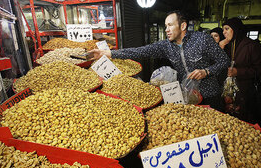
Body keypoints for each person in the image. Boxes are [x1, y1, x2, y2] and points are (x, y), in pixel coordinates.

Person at [89, 10, 230, 111]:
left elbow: (224, 61)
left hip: (210, 95)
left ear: (183, 26)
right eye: (166, 26)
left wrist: (206, 71)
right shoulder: (165, 45)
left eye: (170, 25)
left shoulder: (202, 39)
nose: (166, 29)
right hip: (187, 97)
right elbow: (140, 51)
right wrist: (107, 53)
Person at [222, 17, 261, 123]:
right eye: (223, 29)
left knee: (245, 123)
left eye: (227, 29)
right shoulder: (228, 45)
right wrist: (220, 48)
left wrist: (239, 72)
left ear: (236, 29)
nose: (224, 32)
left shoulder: (251, 45)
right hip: (230, 92)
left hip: (246, 93)